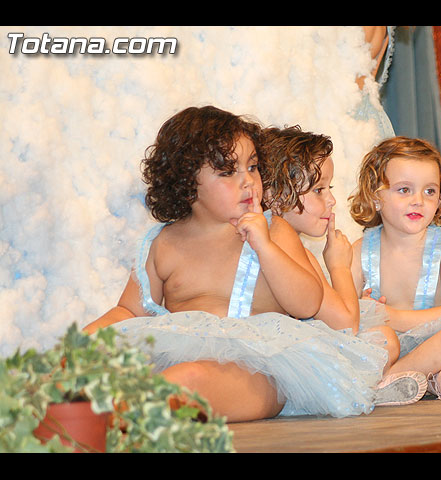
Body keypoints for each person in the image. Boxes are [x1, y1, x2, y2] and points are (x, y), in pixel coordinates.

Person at [83, 106, 390, 422]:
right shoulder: (163, 243)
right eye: (228, 171)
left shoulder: (273, 231)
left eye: (253, 167)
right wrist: (86, 340)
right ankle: (100, 412)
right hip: (177, 359)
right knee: (108, 372)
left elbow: (307, 303)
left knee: (187, 380)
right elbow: (129, 311)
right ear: (186, 181)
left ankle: (122, 415)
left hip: (259, 368)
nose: (248, 181)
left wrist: (264, 247)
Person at [260, 125, 431, 405]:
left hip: (284, 346)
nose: (331, 200)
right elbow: (345, 325)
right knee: (384, 340)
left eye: (328, 188)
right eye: (318, 190)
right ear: (275, 197)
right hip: (288, 360)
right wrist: (338, 265)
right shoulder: (282, 235)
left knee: (381, 335)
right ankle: (371, 387)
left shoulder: (275, 233)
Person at [349, 136, 441, 398]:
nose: (418, 200)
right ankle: (422, 382)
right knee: (379, 336)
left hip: (440, 349)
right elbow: (345, 314)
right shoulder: (359, 250)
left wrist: (390, 315)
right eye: (404, 190)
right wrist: (363, 308)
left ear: (440, 198)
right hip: (389, 350)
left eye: (430, 191)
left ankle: (388, 384)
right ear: (375, 197)